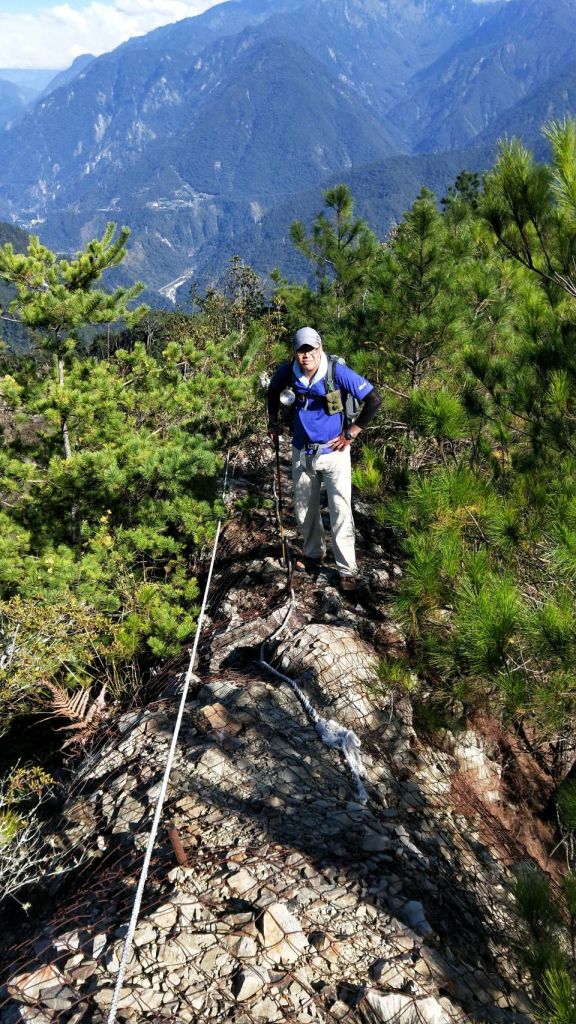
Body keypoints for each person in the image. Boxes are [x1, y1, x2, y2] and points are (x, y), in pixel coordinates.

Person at [267, 326, 381, 593]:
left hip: (335, 453)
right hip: (302, 451)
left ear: (319, 348)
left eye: (310, 349)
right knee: (305, 509)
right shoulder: (288, 371)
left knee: (340, 510)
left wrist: (351, 433)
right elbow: (272, 392)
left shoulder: (336, 372)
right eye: (301, 350)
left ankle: (346, 570)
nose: (306, 355)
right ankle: (313, 555)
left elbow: (374, 399)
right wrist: (273, 423)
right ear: (295, 352)